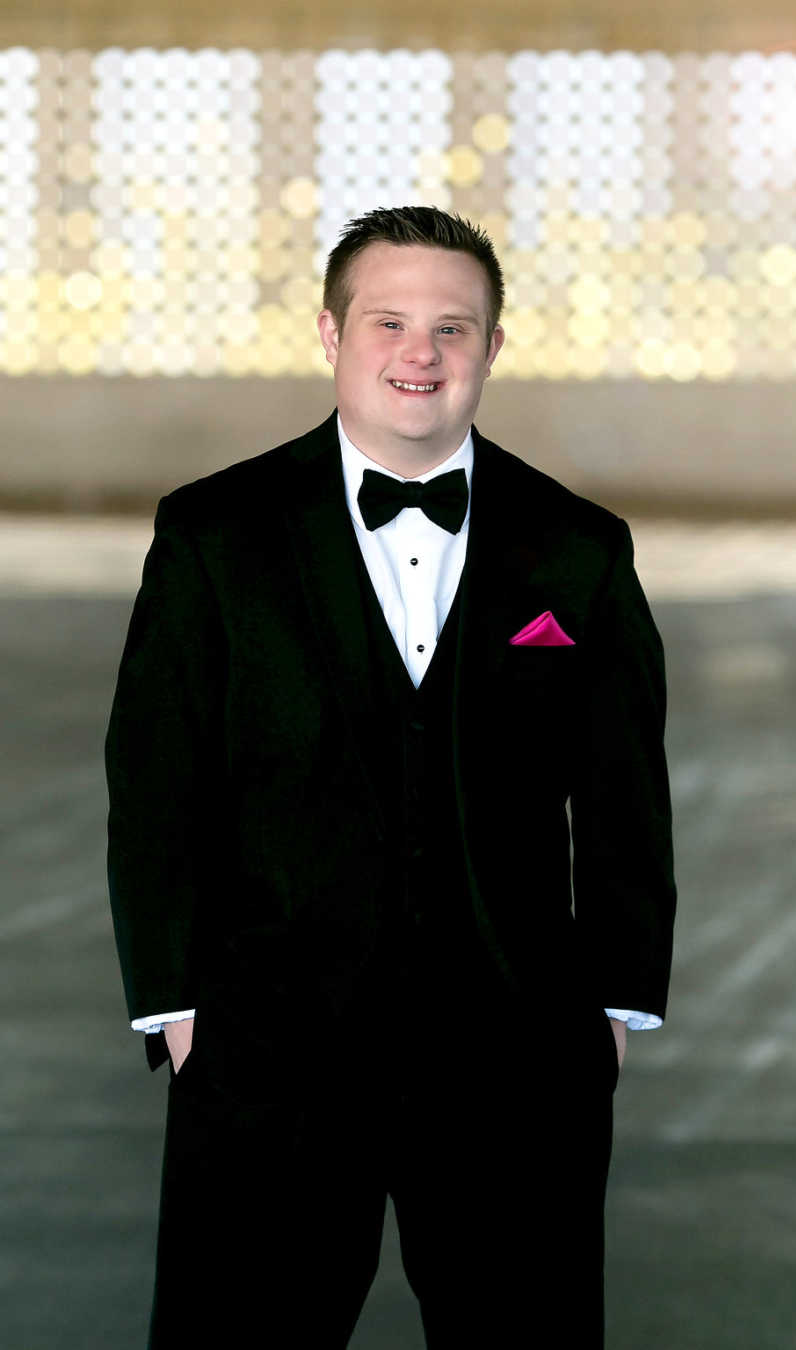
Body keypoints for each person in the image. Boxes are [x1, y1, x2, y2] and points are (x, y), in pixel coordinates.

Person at [105, 205, 676, 1349]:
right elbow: (159, 779)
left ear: (492, 348)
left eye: (453, 328)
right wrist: (175, 1011)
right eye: (390, 322)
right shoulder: (214, 536)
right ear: (330, 334)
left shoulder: (579, 549)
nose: (421, 353)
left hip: (516, 1064)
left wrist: (611, 1007)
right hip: (270, 1054)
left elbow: (624, 798)